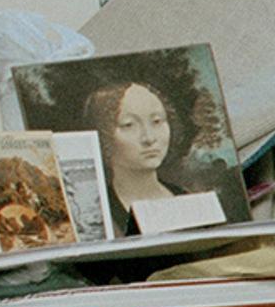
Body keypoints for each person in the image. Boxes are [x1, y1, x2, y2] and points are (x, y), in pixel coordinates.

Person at [81, 73, 236, 218]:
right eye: (129, 125)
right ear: (103, 134)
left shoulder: (187, 201)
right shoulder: (95, 213)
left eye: (156, 121)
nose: (148, 138)